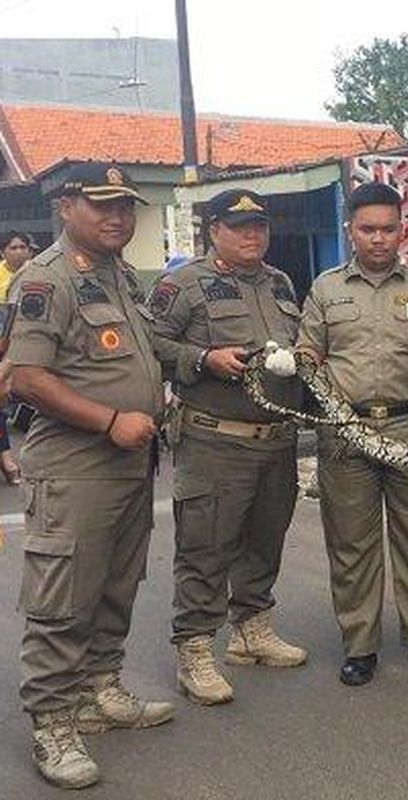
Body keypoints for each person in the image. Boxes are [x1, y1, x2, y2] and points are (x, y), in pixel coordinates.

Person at [9, 163, 173, 789]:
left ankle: (100, 690)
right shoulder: (46, 280)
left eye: (126, 207)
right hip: (77, 468)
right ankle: (53, 719)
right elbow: (27, 378)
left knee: (115, 583)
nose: (118, 217)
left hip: (131, 463)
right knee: (63, 597)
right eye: (103, 206)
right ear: (66, 206)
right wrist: (108, 420)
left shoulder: (120, 275)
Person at [148, 189, 307, 706]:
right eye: (239, 227)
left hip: (275, 441)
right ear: (213, 230)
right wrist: (203, 357)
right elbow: (151, 345)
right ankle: (194, 648)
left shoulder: (280, 282)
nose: (252, 235)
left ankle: (251, 631)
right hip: (215, 440)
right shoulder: (183, 284)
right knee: (206, 546)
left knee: (265, 540)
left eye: (259, 226)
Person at [297, 182, 408, 687]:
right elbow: (306, 358)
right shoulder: (325, 288)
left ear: (402, 229)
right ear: (351, 231)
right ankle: (360, 645)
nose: (379, 239)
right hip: (346, 431)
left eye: (388, 228)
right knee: (352, 545)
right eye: (368, 229)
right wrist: (312, 374)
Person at [0, 229, 34, 484]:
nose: (20, 251)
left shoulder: (36, 273)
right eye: (14, 247)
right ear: (3, 252)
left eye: (23, 247)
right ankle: (7, 461)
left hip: (26, 345)